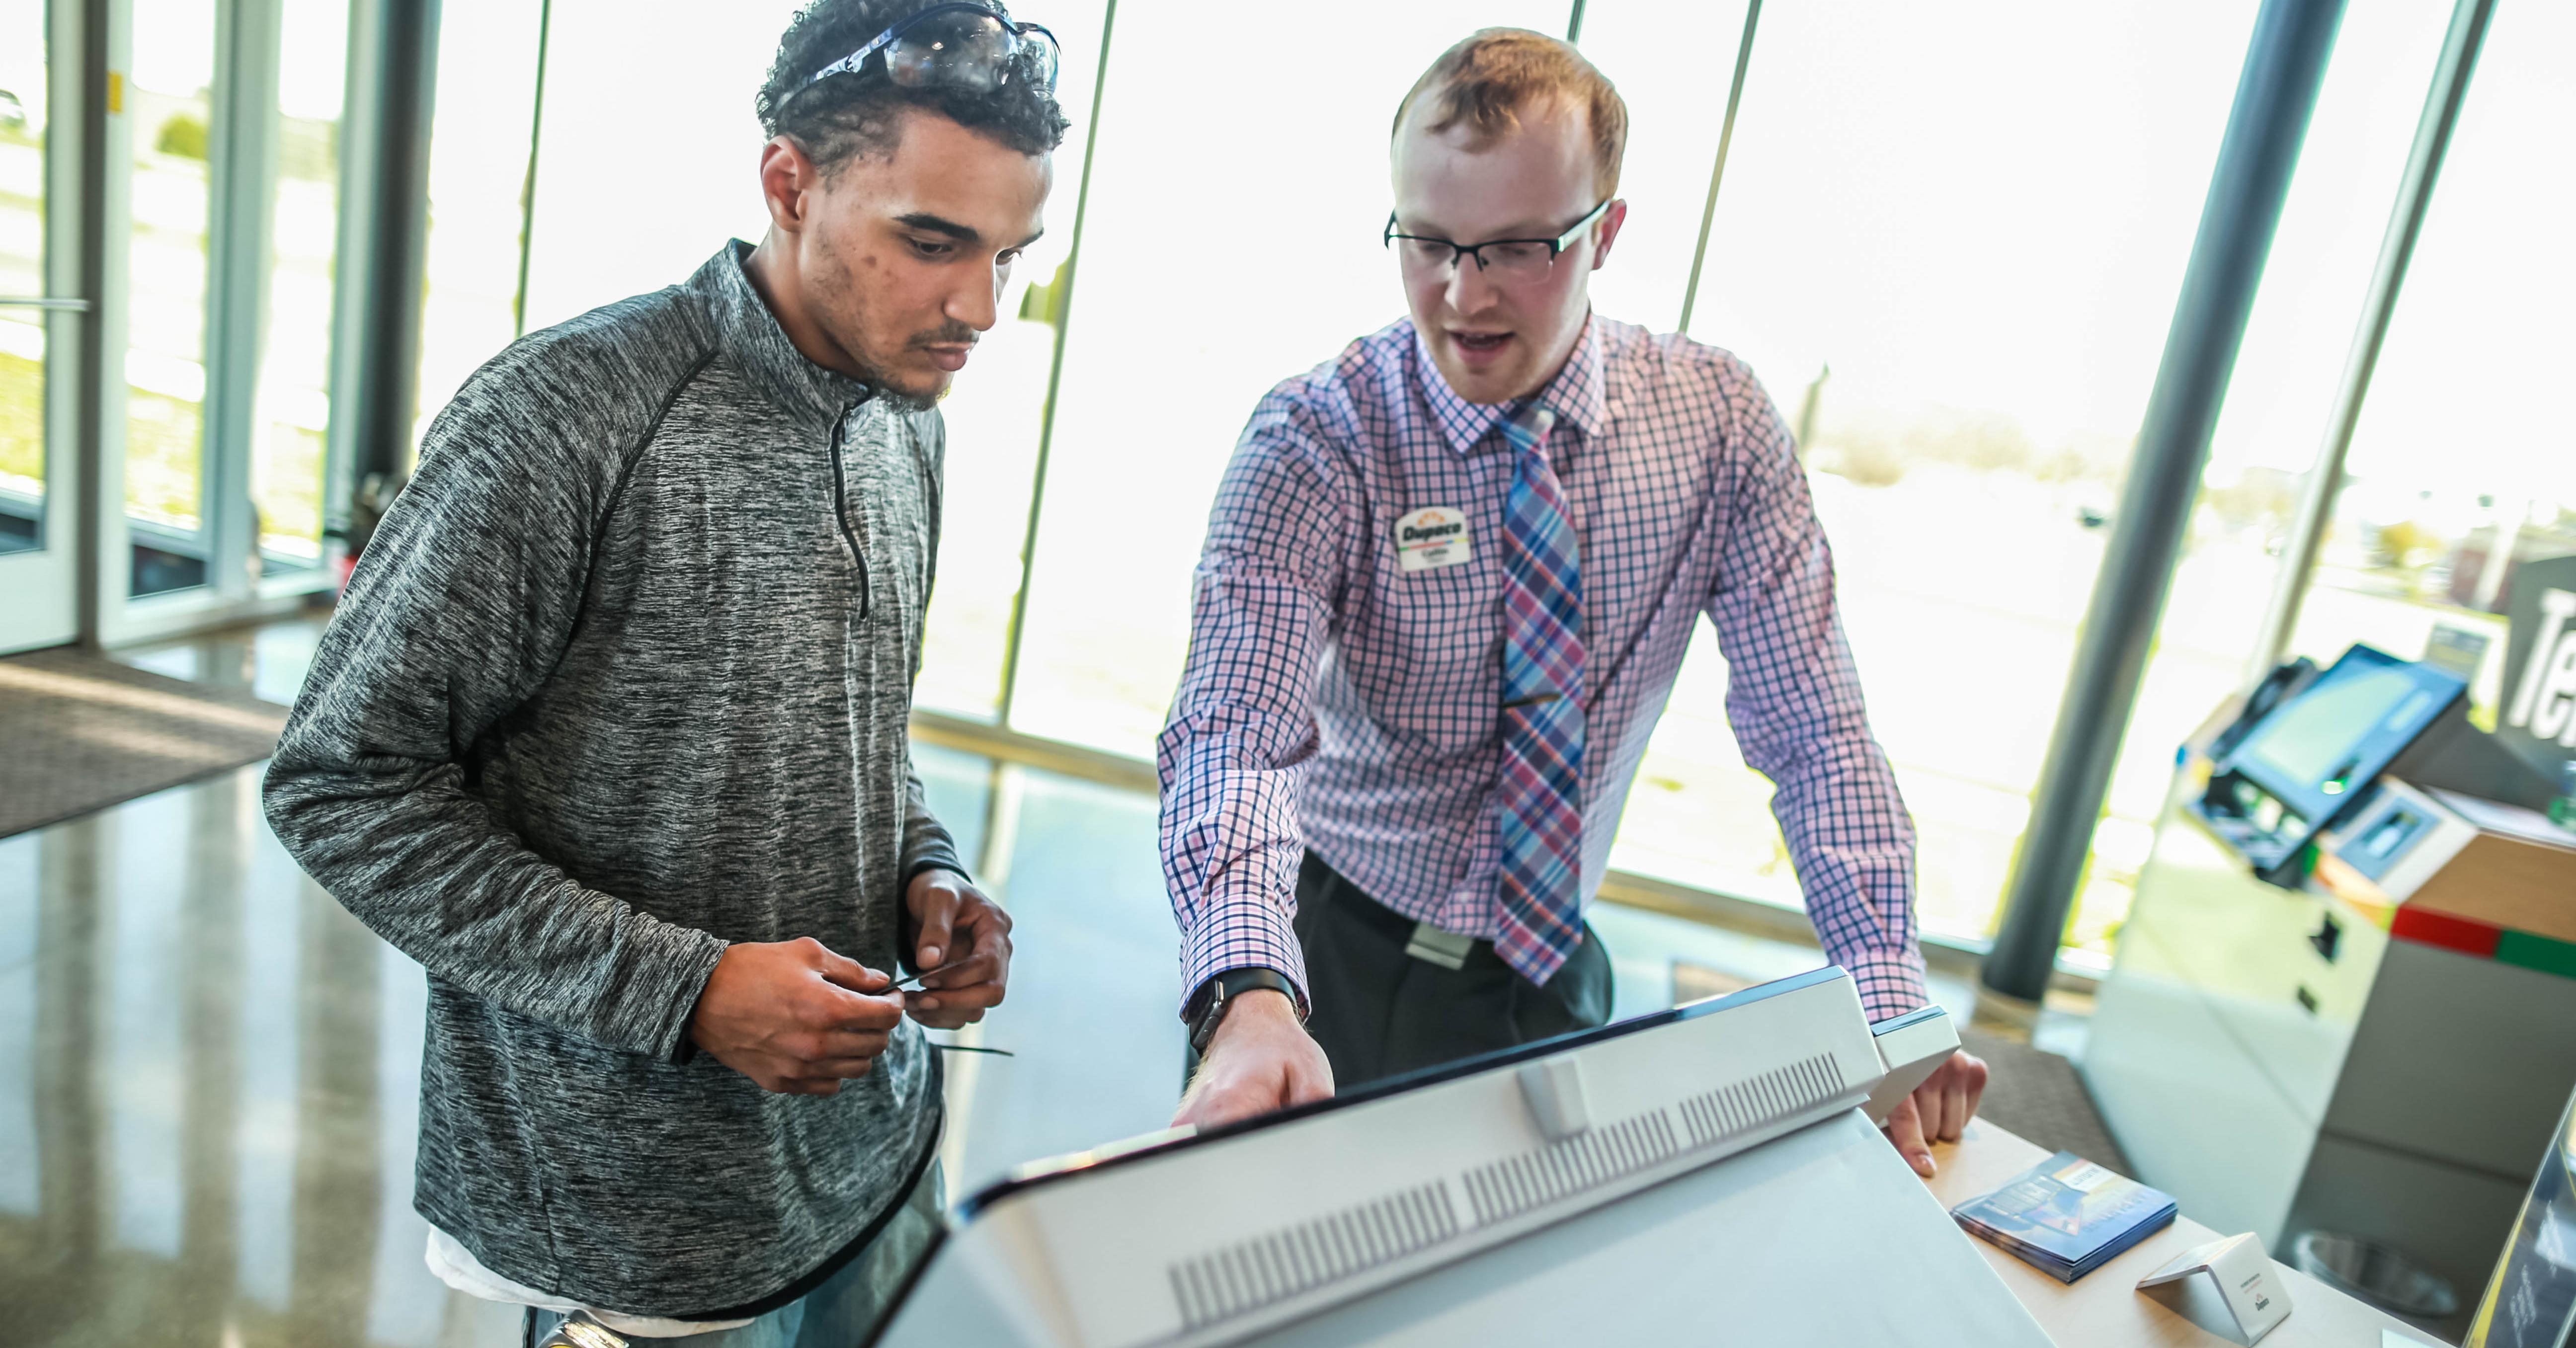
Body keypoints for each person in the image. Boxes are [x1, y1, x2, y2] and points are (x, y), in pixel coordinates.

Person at [261, 2, 1064, 1340]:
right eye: (932, 241)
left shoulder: (906, 421)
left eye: (1012, 254)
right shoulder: (565, 417)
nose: (978, 307)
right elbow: (340, 786)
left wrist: (928, 869)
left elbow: (854, 734)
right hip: (632, 1235)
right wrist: (686, 991)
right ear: (789, 183)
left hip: (873, 1170)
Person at [1158, 28, 1987, 1176]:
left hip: (1554, 971)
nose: (1463, 294)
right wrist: (1249, 989)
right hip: (1328, 957)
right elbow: (1234, 737)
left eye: (1516, 248)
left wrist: (1891, 1000)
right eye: (1429, 242)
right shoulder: (1319, 435)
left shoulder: (1717, 426)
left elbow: (1816, 732)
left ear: (1606, 232)